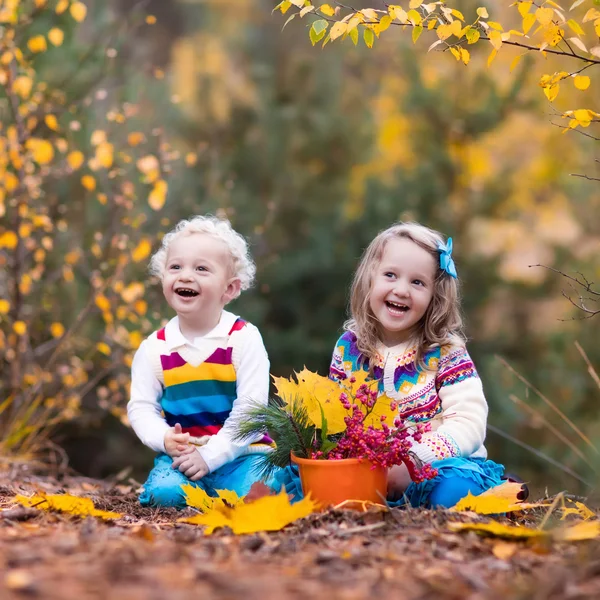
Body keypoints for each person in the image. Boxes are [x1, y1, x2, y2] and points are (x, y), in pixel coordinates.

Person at [327, 222, 520, 508]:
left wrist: (415, 460)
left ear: (435, 297)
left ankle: (496, 492)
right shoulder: (349, 347)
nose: (401, 290)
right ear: (369, 280)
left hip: (435, 468)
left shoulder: (445, 352)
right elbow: (333, 414)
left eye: (418, 282)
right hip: (367, 469)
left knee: (453, 493)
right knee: (297, 482)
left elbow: (469, 422)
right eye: (390, 275)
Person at [127, 215, 273, 507]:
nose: (185, 276)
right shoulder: (154, 349)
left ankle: (225, 494)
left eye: (202, 269)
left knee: (259, 493)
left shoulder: (242, 339)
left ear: (229, 288)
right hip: (182, 459)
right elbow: (141, 407)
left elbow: (251, 411)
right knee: (164, 494)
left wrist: (210, 456)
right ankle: (198, 494)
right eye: (175, 267)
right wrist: (164, 438)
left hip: (242, 457)